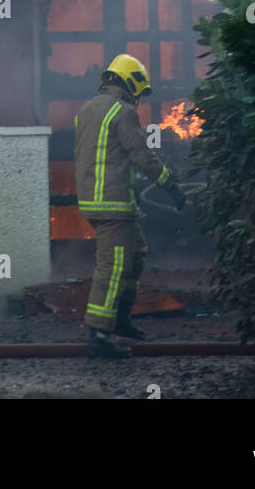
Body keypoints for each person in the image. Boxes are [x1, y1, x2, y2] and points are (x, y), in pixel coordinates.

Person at [74, 54, 186, 358]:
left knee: (136, 254)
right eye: (139, 91)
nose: (138, 98)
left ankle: (120, 318)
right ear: (130, 83)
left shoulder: (86, 110)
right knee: (111, 268)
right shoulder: (121, 112)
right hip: (113, 205)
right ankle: (99, 335)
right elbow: (142, 156)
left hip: (95, 202)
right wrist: (170, 185)